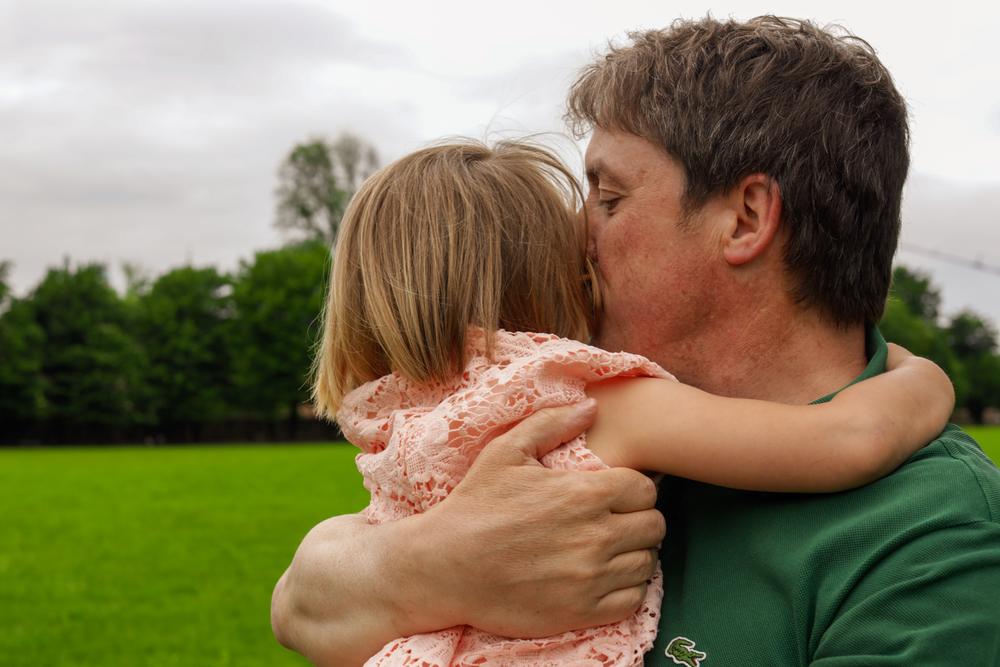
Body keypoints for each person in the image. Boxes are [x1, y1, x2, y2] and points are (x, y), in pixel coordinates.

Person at [272, 16, 1000, 666]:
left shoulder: (933, 539)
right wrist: (426, 567)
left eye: (610, 197)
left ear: (746, 219)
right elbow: (295, 604)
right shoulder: (586, 425)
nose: (575, 234)